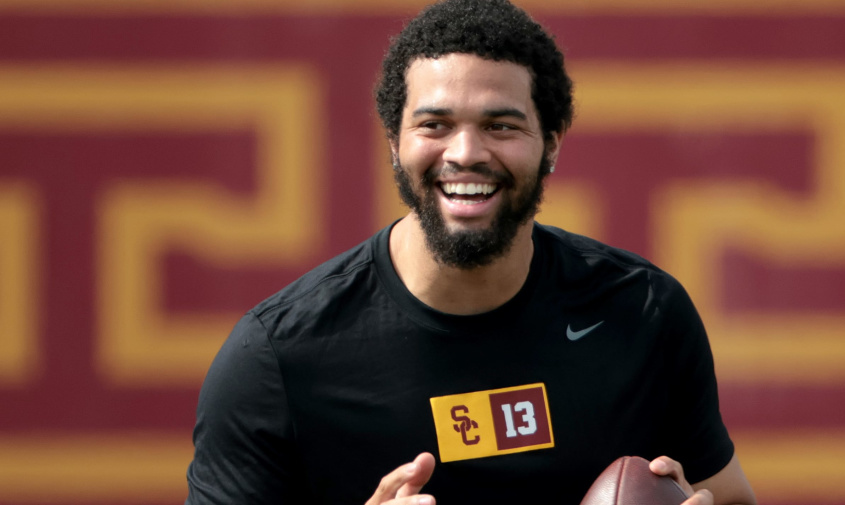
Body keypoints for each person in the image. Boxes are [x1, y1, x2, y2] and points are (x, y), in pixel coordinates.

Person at [185, 0, 757, 504]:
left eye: (501, 126)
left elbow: (727, 496)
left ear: (552, 141)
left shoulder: (643, 316)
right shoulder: (276, 360)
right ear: (394, 141)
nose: (465, 153)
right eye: (434, 123)